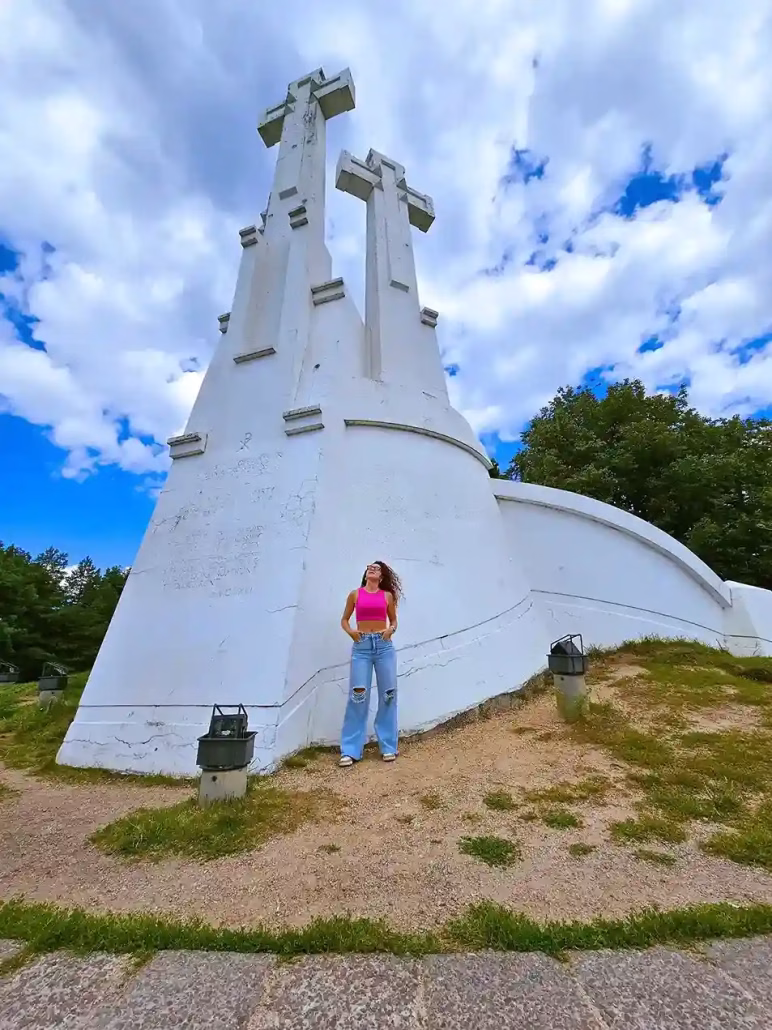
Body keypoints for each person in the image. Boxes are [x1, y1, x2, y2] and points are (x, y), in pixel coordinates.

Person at [338, 560, 402, 767]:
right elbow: (344, 620)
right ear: (366, 574)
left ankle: (388, 746)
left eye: (377, 568)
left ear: (381, 576)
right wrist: (352, 633)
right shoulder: (355, 595)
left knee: (388, 695)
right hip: (362, 647)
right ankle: (350, 750)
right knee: (358, 695)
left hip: (383, 647)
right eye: (369, 567)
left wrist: (391, 630)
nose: (372, 569)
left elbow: (393, 620)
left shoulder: (387, 596)